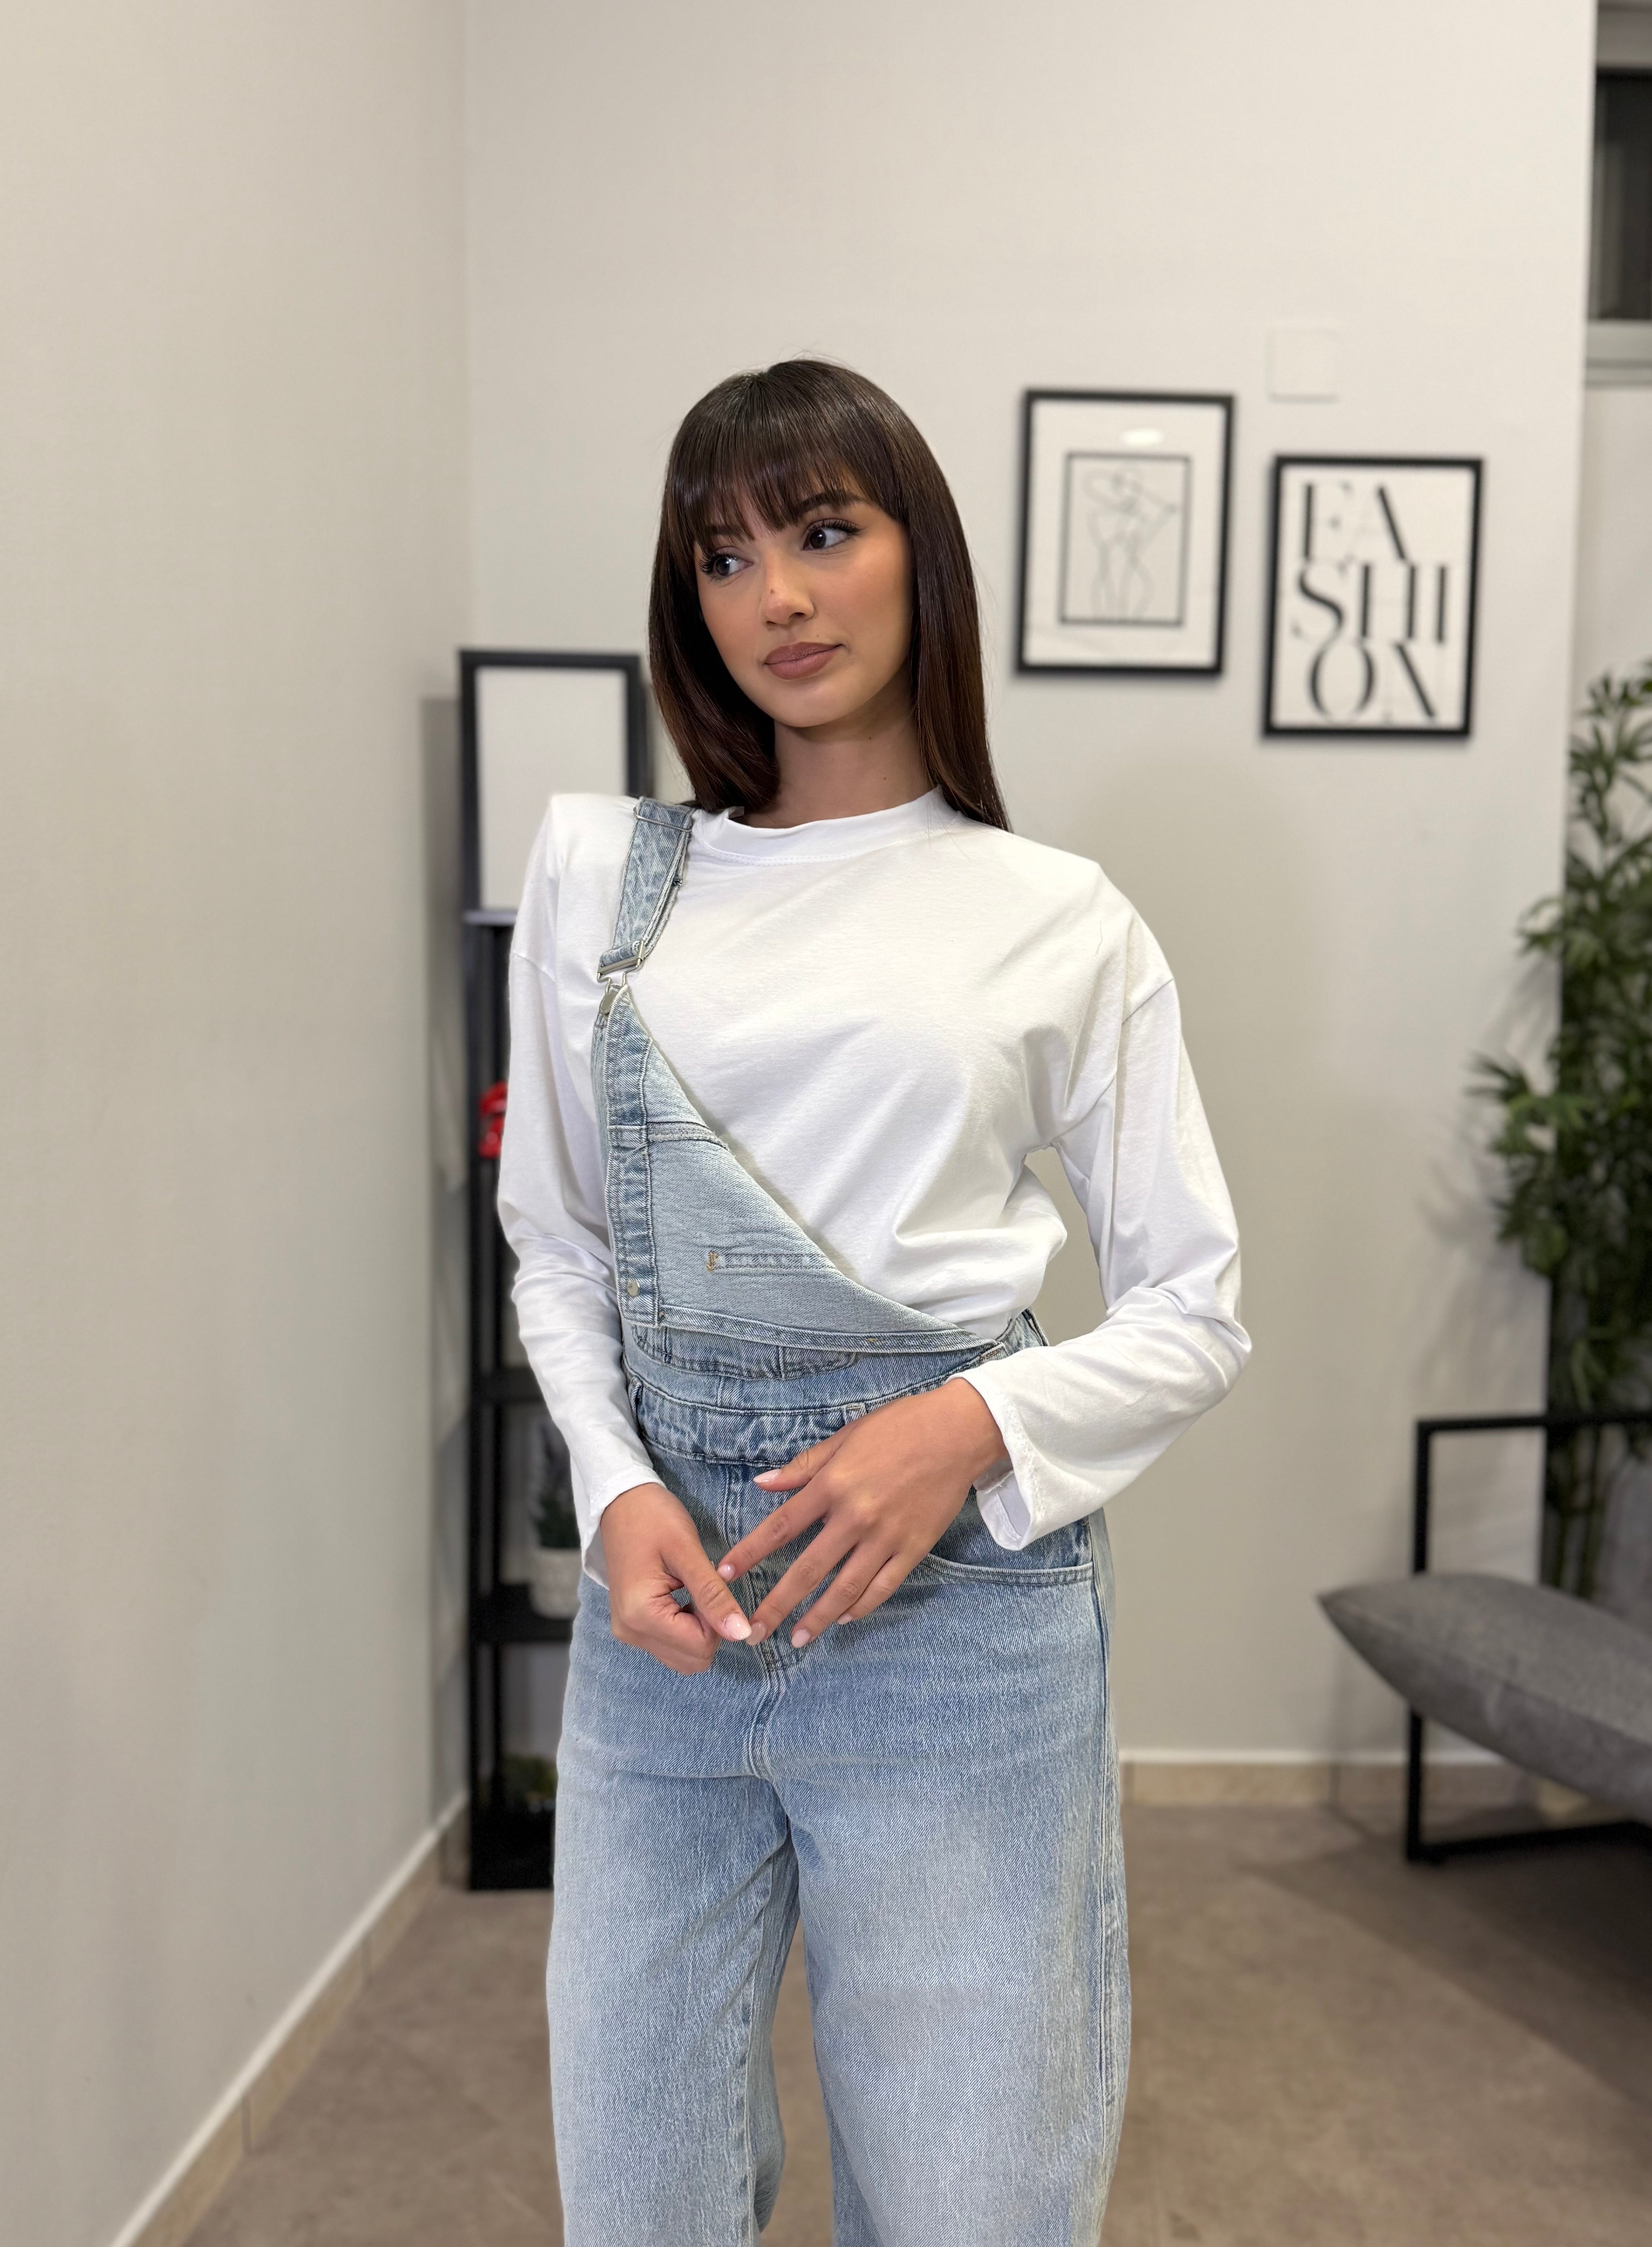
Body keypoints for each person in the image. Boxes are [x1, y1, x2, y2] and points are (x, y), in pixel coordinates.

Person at [497, 358, 1249, 2246]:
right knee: (638, 2192)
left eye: (824, 533)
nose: (778, 596)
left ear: (922, 556)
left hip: (957, 1610)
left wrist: (967, 1427)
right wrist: (616, 1489)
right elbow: (561, 1244)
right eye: (724, 556)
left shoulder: (1056, 916)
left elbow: (1196, 1303)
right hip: (666, 1613)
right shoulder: (602, 880)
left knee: (972, 2199)